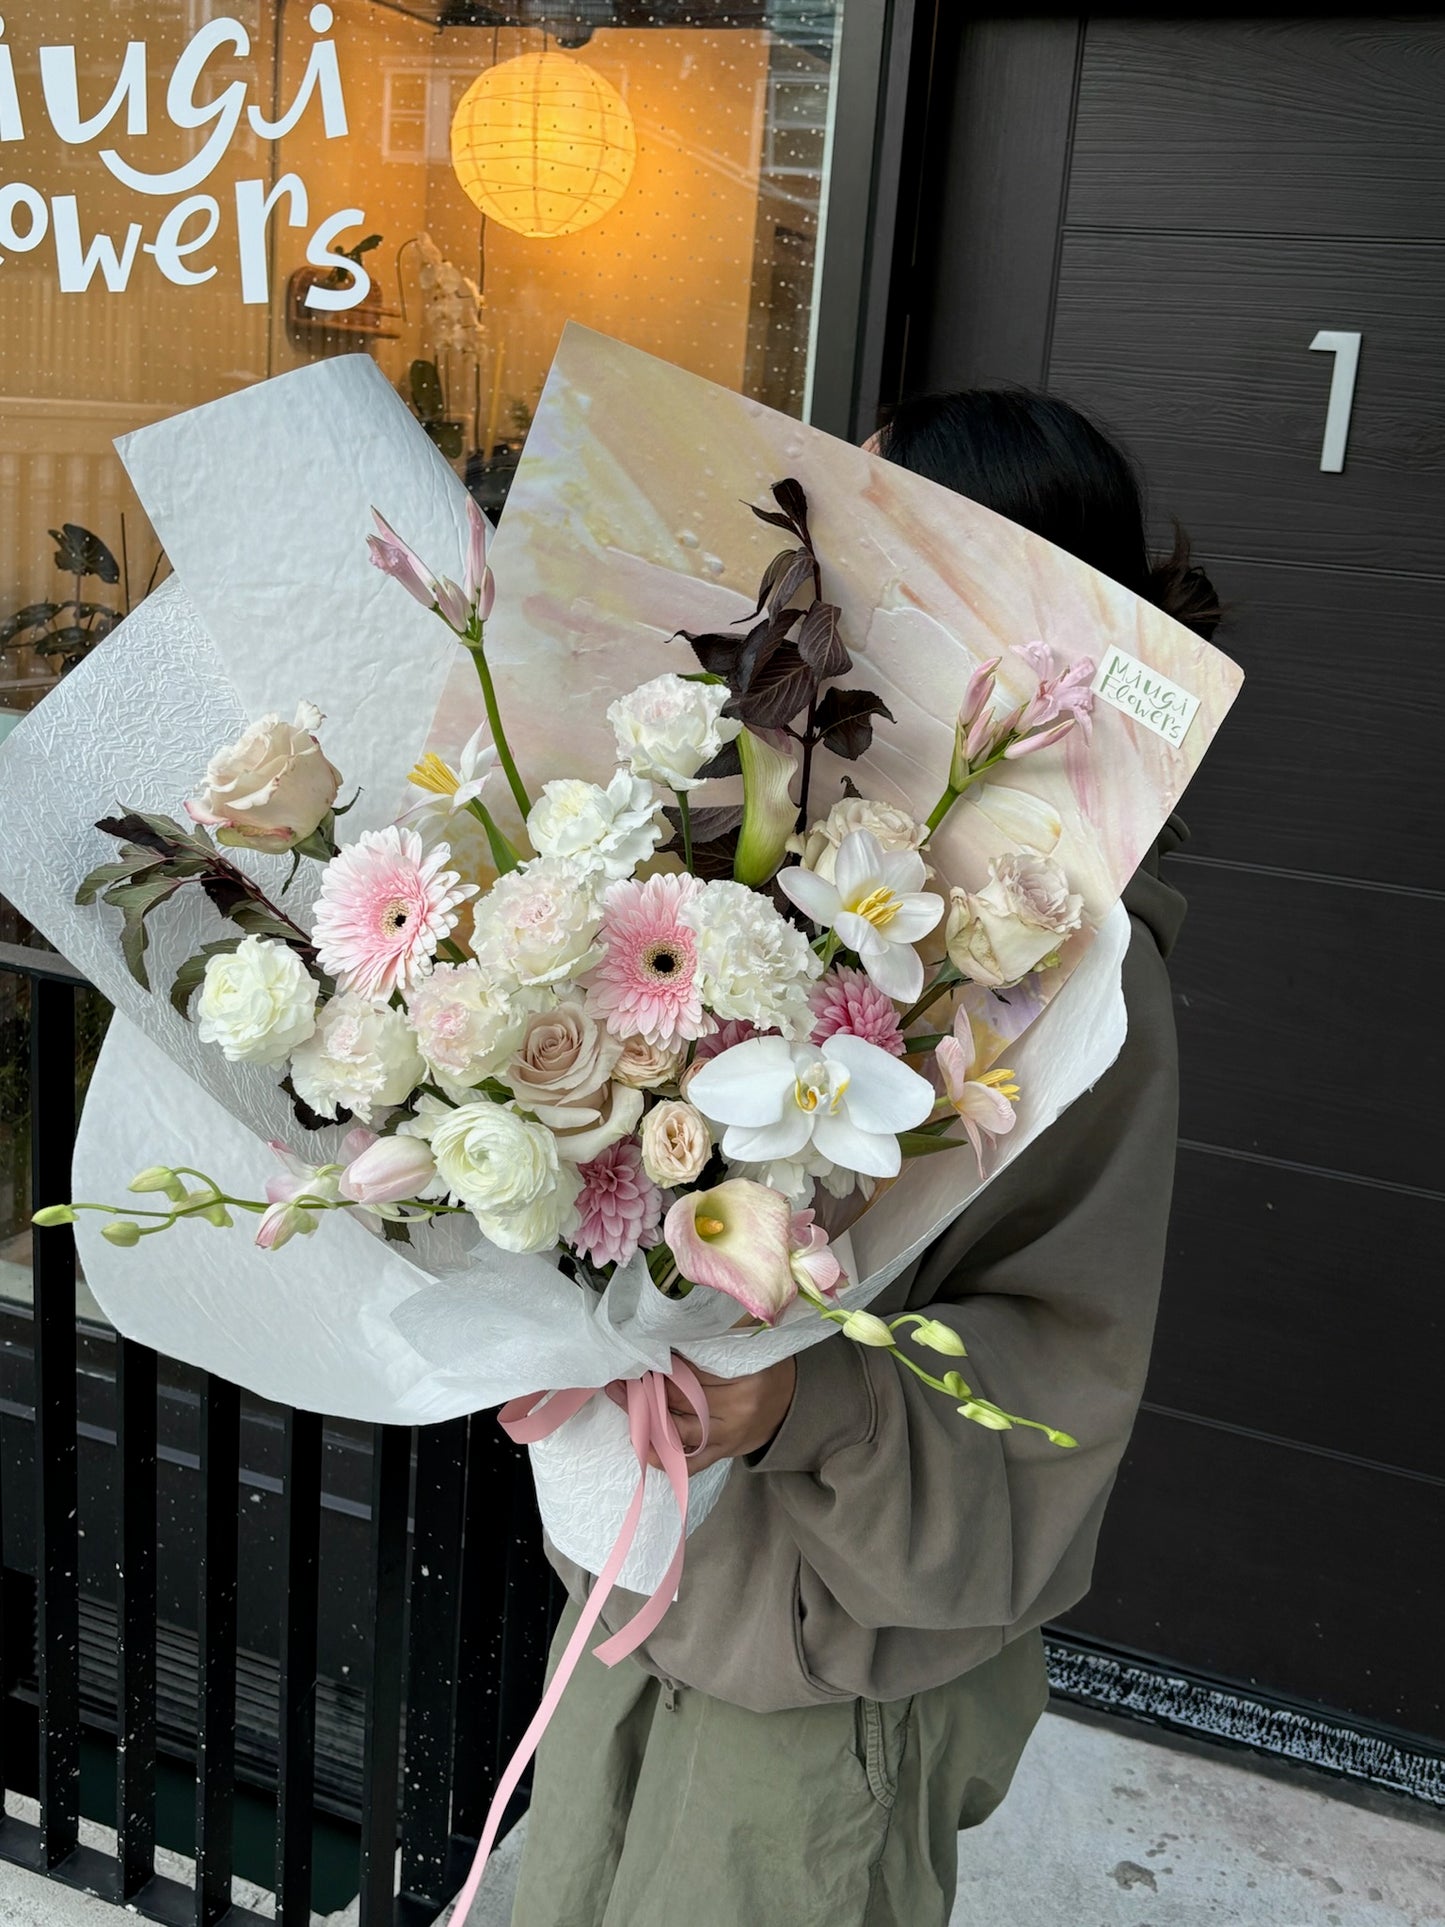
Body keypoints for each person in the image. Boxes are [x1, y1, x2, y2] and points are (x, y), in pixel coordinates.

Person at [508, 389, 1222, 1927]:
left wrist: (796, 1394)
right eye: (836, 527)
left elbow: (1061, 1368)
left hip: (836, 1674)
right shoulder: (769, 862)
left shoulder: (1088, 984)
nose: (842, 585)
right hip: (638, 1600)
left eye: (905, 546)